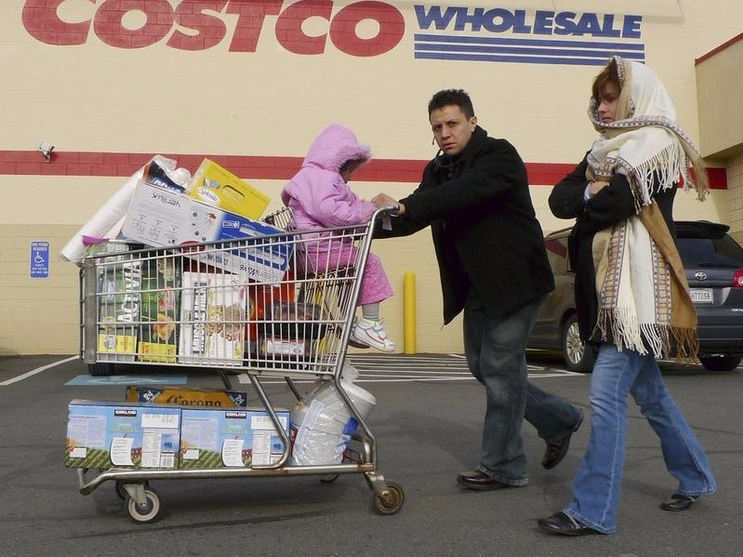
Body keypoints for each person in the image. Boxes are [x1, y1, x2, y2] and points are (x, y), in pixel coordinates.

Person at [537, 56, 716, 536]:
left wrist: (593, 195)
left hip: (636, 296)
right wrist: (596, 190)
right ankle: (696, 477)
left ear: (636, 96)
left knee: (606, 396)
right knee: (653, 396)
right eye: (600, 96)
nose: (603, 104)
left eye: (612, 95)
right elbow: (558, 199)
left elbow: (613, 204)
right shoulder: (602, 149)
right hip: (605, 294)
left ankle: (591, 510)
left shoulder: (659, 145)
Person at [372, 89, 584, 489]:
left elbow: (461, 194)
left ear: (472, 121)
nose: (444, 133)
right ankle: (559, 419)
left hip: (517, 280)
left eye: (452, 124)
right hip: (478, 286)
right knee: (481, 365)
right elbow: (419, 210)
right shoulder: (437, 170)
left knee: (502, 370)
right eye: (437, 127)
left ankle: (503, 466)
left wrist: (404, 205)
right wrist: (364, 223)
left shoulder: (498, 156)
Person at [281, 123, 395, 352]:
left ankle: (349, 322)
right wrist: (366, 212)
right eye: (348, 170)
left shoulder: (314, 178)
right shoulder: (322, 177)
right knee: (369, 263)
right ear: (337, 161)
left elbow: (341, 206)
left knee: (350, 272)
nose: (350, 176)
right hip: (316, 249)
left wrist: (367, 207)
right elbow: (331, 212)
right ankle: (370, 324)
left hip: (310, 249)